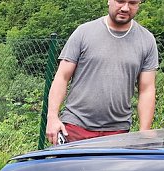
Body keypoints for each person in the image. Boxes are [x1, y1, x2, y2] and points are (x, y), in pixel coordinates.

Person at [47, 0, 157, 144]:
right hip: (75, 128)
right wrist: (52, 117)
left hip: (118, 132)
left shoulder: (146, 40)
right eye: (120, 1)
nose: (125, 8)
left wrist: (144, 131)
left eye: (132, 3)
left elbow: (147, 89)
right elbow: (62, 77)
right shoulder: (84, 32)